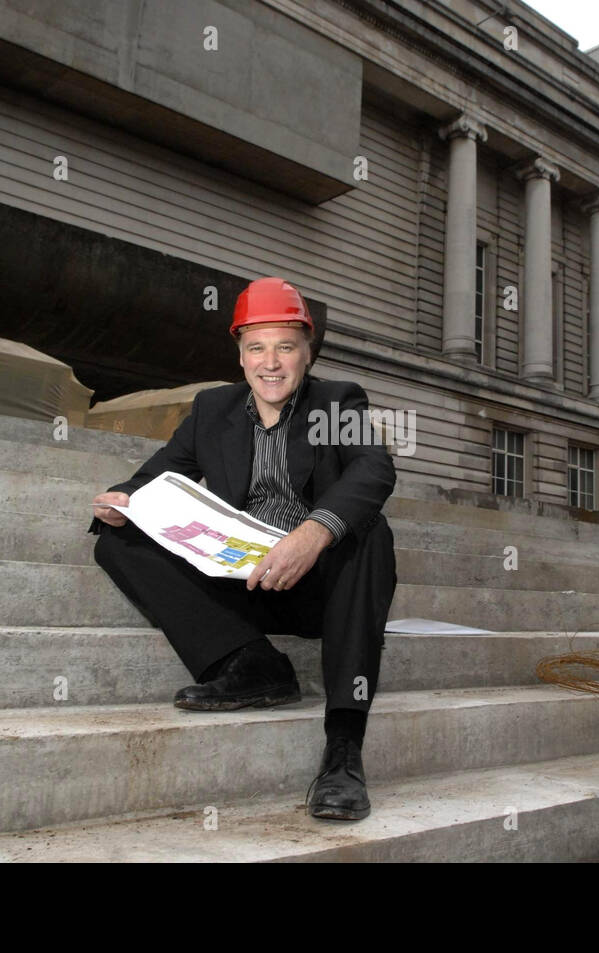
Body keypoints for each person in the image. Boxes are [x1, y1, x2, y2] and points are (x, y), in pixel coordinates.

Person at [88, 277, 397, 820]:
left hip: (318, 587)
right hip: (243, 579)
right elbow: (158, 474)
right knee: (118, 539)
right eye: (256, 347)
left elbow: (374, 469)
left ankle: (343, 752)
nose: (270, 363)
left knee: (371, 532)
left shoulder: (335, 402)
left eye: (285, 347)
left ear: (307, 351)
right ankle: (251, 663)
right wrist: (125, 499)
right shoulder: (213, 410)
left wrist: (315, 531)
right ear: (240, 354)